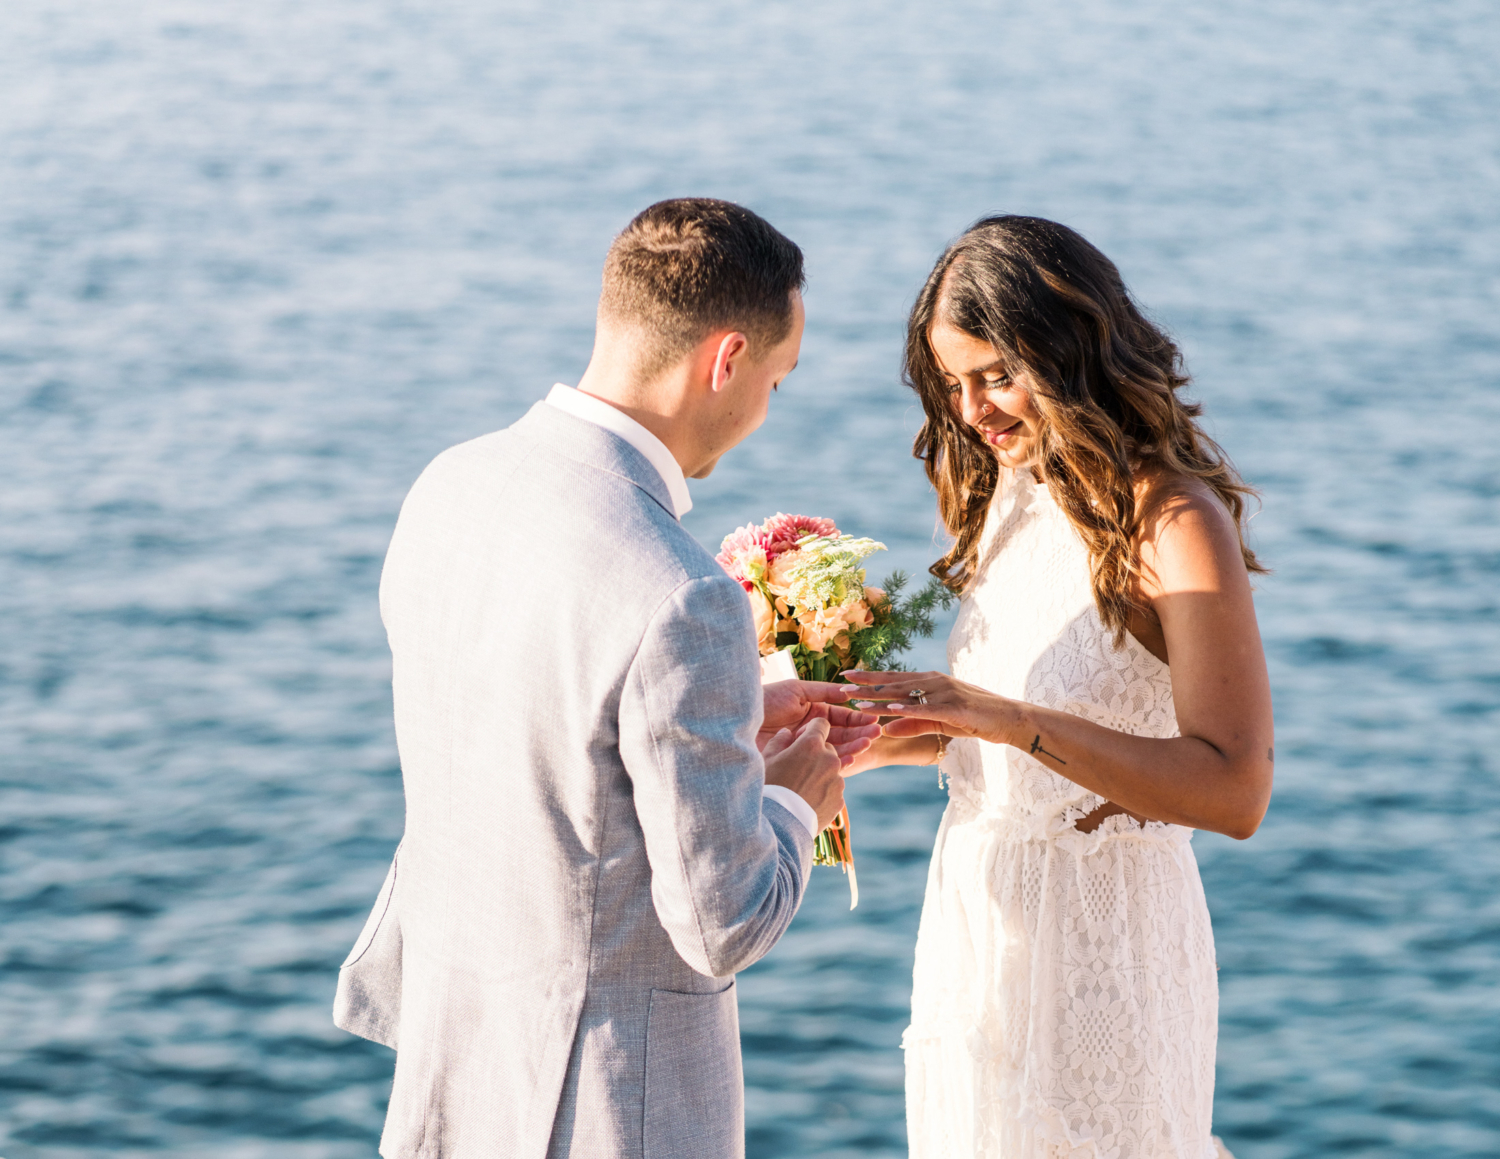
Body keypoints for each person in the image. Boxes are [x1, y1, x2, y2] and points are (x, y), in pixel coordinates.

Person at [333, 198, 880, 1159]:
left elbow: (538, 737)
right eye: (777, 382)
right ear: (726, 359)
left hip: (452, 1075)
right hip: (603, 1110)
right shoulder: (682, 592)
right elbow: (723, 920)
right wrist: (794, 800)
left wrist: (732, 712)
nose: (763, 412)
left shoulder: (449, 488)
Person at [842, 216, 1273, 1159]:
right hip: (976, 928)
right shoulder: (1009, 493)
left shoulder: (1172, 521)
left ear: (1070, 348)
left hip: (1107, 951)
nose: (973, 411)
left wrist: (1002, 716)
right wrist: (841, 730)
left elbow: (1235, 789)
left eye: (996, 375)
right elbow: (977, 734)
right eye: (952, 384)